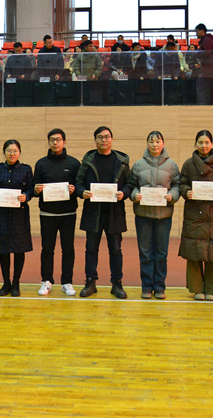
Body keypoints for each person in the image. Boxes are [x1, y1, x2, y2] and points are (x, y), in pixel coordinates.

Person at [76, 126, 131, 299]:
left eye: (107, 137)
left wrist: (124, 193)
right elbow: (78, 183)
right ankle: (90, 282)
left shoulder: (122, 161)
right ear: (95, 140)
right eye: (100, 137)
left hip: (115, 213)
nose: (104, 140)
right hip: (93, 212)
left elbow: (130, 183)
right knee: (91, 249)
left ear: (112, 139)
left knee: (116, 249)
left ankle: (117, 283)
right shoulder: (88, 161)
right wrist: (82, 192)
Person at [127, 131, 180, 299]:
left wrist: (173, 195)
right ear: (147, 144)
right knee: (145, 252)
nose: (155, 144)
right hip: (143, 215)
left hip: (164, 216)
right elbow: (132, 185)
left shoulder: (172, 165)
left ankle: (159, 287)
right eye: (151, 141)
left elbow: (177, 185)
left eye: (158, 141)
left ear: (163, 143)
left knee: (161, 253)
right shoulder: (138, 164)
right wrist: (134, 195)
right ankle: (146, 287)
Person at [179, 130, 213, 301]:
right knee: (194, 250)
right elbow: (182, 183)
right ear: (195, 144)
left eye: (207, 142)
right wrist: (186, 192)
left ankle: (212, 289)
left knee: (212, 251)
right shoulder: (188, 164)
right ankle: (196, 288)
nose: (204, 145)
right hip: (194, 212)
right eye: (200, 142)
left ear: (212, 144)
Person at [33, 128, 81, 297]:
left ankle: (67, 282)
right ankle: (47, 281)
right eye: (52, 139)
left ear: (64, 142)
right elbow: (34, 188)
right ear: (48, 142)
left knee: (68, 249)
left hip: (68, 213)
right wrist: (36, 189)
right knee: (47, 249)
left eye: (58, 139)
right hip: (47, 214)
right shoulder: (41, 164)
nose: (55, 142)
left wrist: (74, 189)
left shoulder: (74, 163)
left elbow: (80, 187)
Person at [0, 139, 34, 297]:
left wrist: (26, 196)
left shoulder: (26, 169)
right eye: (9, 151)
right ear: (4, 152)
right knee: (3, 250)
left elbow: (31, 189)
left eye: (15, 151)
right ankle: (6, 282)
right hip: (1, 215)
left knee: (19, 250)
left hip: (19, 215)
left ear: (19, 152)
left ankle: (16, 282)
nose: (12, 154)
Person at [193, 23, 213, 104]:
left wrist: (196, 53)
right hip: (210, 71)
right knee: (210, 89)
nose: (196, 33)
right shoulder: (206, 40)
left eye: (197, 31)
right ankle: (206, 105)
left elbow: (205, 52)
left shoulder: (206, 40)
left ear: (202, 31)